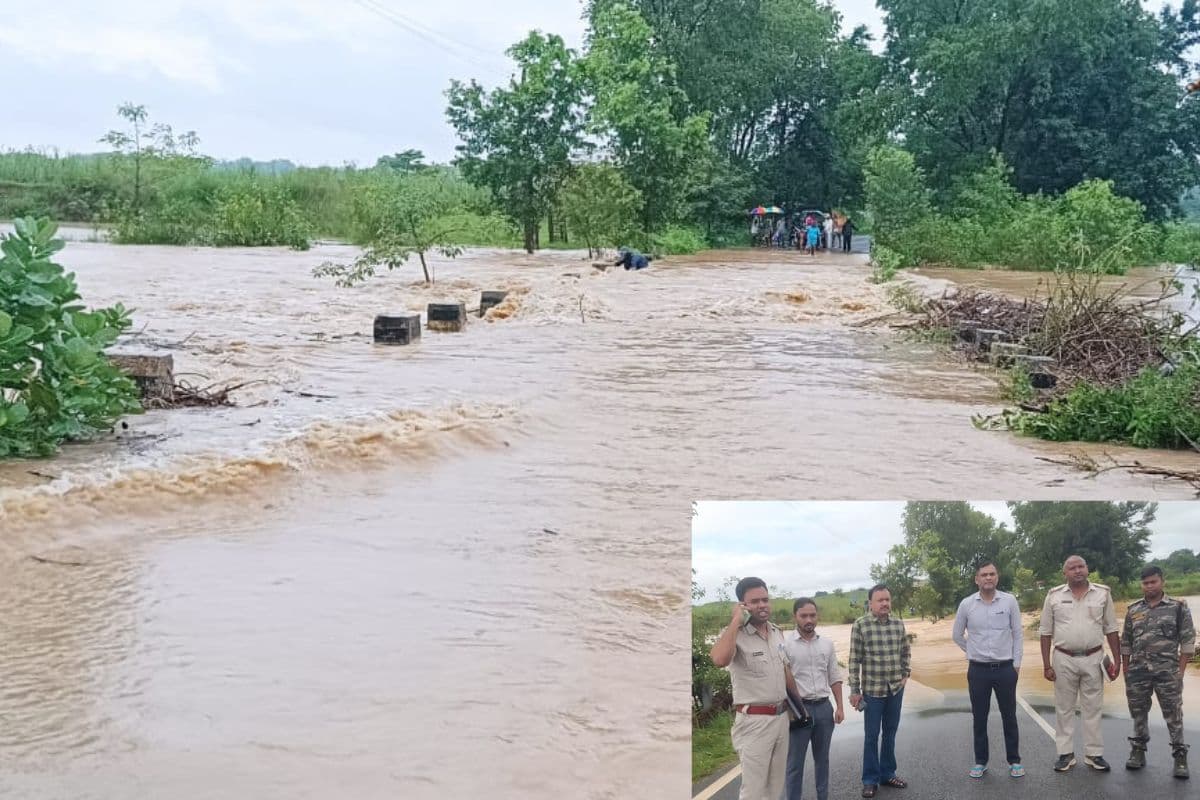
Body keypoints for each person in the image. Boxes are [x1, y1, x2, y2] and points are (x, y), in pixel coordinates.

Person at [710, 577, 802, 800]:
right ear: (743, 605)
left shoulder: (777, 632)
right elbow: (719, 659)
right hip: (754, 723)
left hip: (781, 718)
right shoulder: (736, 635)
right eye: (754, 601)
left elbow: (785, 672)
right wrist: (735, 621)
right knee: (753, 790)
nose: (762, 605)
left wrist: (801, 708)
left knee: (774, 786)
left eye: (765, 599)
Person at [1039, 554, 1121, 773]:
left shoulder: (1103, 593)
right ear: (1065, 573)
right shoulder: (1054, 596)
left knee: (1093, 708)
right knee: (1064, 708)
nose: (1077, 570)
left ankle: (1094, 754)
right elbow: (1045, 632)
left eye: (1081, 566)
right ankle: (1065, 754)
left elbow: (1111, 629)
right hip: (1063, 658)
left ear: (1087, 568)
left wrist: (1118, 659)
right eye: (1072, 568)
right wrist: (1046, 664)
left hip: (1094, 658)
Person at [952, 560, 1025, 779]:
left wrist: (1016, 664)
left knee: (1009, 716)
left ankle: (1014, 761)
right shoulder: (967, 605)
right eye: (983, 575)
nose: (988, 578)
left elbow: (1018, 634)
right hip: (978, 670)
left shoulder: (1009, 601)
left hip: (1005, 668)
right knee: (979, 717)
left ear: (997, 577)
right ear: (977, 579)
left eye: (992, 574)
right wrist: (972, 650)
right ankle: (980, 761)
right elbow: (957, 635)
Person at [1121, 565, 1195, 778]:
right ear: (1141, 585)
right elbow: (1126, 642)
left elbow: (1187, 641)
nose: (1149, 586)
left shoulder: (1177, 607)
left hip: (1167, 672)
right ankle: (1138, 750)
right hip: (1138, 672)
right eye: (1145, 583)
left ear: (1162, 581)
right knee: (1138, 712)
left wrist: (1180, 672)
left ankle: (1180, 755)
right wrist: (1126, 669)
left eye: (1153, 581)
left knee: (1173, 714)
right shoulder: (1133, 610)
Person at [849, 584, 911, 798]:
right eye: (880, 600)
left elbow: (905, 651)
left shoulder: (898, 623)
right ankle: (869, 780)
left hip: (895, 689)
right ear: (870, 603)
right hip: (872, 692)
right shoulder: (860, 625)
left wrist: (905, 675)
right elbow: (854, 660)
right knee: (871, 736)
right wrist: (854, 691)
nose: (885, 603)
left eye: (887, 599)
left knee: (890, 733)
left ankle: (888, 774)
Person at [782, 597, 846, 800]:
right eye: (804, 616)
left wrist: (840, 707)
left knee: (822, 761)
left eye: (812, 615)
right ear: (795, 617)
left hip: (824, 709)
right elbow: (782, 680)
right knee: (794, 765)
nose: (808, 620)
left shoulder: (826, 644)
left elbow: (834, 677)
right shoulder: (784, 645)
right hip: (798, 711)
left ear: (817, 616)